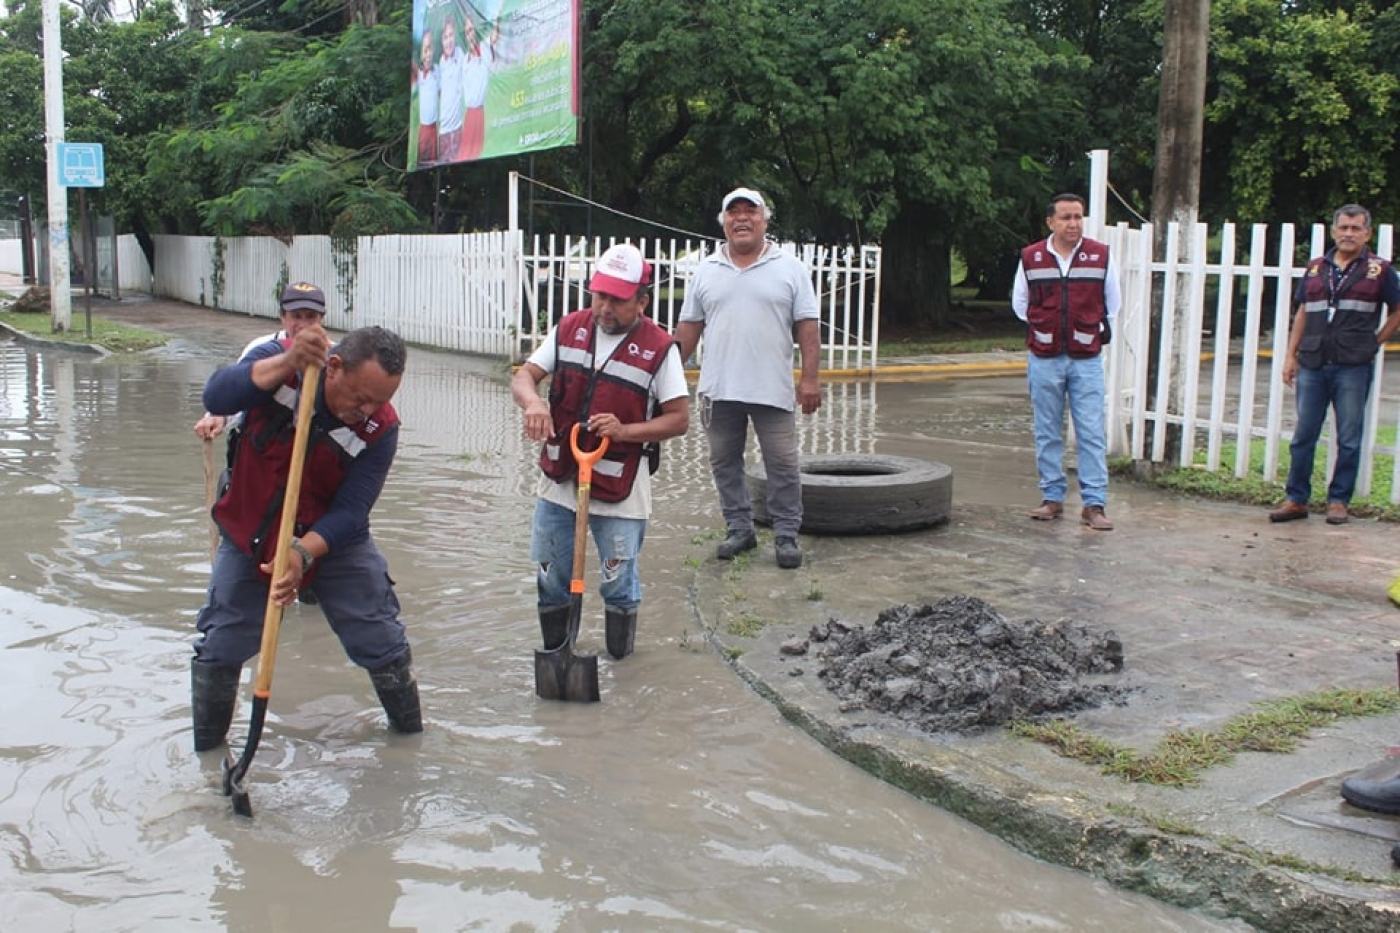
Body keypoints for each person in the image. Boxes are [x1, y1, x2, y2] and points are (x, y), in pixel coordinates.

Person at [190, 324, 422, 751]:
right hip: (251, 535)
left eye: (379, 401)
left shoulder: (380, 428)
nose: (367, 409)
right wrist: (287, 363)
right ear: (333, 368)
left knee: (379, 632)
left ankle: (410, 744)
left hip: (331, 541)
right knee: (222, 640)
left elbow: (353, 510)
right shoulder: (282, 367)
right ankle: (209, 755)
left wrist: (302, 552)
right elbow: (216, 397)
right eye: (359, 397)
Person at [511, 243, 689, 659]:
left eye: (618, 299)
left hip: (621, 483)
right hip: (560, 475)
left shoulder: (661, 349)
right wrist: (534, 402)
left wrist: (626, 431)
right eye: (599, 295)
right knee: (551, 573)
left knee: (617, 580)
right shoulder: (569, 328)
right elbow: (525, 376)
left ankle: (620, 661)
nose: (605, 307)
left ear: (642, 301)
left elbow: (679, 419)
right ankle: (557, 653)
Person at [676, 187, 821, 569]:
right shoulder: (707, 269)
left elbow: (807, 326)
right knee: (724, 462)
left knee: (783, 465)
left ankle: (787, 535)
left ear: (764, 220)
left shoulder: (790, 268)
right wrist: (668, 376)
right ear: (723, 222)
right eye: (733, 212)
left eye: (750, 212)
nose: (741, 218)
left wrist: (810, 380)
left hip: (772, 389)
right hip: (719, 389)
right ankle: (739, 529)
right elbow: (689, 327)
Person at [1268, 204, 1400, 525]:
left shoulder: (1379, 271)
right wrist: (1290, 355)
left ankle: (1339, 500)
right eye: (1343, 228)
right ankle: (1296, 498)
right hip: (1313, 361)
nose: (1348, 234)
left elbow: (1397, 310)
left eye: (1355, 229)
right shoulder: (1316, 268)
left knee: (1349, 437)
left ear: (1367, 234)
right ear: (1334, 231)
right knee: (1303, 435)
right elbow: (1303, 312)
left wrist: (1375, 341)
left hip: (1353, 364)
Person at [1012, 193, 1120, 531]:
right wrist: (1045, 330)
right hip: (1044, 358)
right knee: (1047, 431)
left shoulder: (1099, 256)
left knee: (1090, 431)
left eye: (1078, 217)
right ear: (1051, 222)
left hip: (1086, 359)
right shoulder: (1031, 257)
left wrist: (1092, 330)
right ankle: (1052, 498)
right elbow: (1020, 303)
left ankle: (1094, 504)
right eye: (1066, 218)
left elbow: (1112, 303)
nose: (1073, 224)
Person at [191, 281, 328, 441]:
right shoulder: (260, 349)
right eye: (296, 316)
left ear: (321, 319)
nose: (303, 325)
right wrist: (219, 417)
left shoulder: (334, 357)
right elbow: (240, 393)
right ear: (283, 317)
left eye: (311, 317)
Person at [457, 19, 497, 162]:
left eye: (472, 30)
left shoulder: (484, 50)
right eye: (467, 31)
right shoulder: (464, 60)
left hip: (479, 112)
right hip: (469, 114)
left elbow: (494, 34)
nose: (470, 34)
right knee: (466, 154)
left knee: (479, 153)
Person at [435, 17, 466, 165]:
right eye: (445, 37)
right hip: (444, 128)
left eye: (451, 35)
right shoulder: (441, 62)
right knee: (443, 163)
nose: (449, 41)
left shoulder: (460, 55)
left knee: (458, 162)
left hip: (457, 126)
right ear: (442, 40)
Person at [411, 30, 439, 168]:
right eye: (425, 50)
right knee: (422, 162)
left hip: (434, 127)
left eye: (430, 49)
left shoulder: (438, 71)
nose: (428, 55)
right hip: (423, 128)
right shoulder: (419, 74)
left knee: (433, 162)